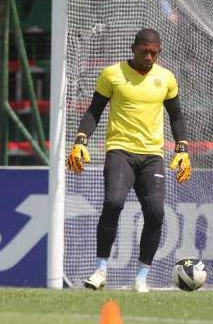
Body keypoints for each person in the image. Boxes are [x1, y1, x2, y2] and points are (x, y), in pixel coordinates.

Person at [66, 28, 191, 293]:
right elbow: (94, 111)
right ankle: (100, 270)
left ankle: (141, 279)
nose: (149, 57)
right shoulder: (112, 74)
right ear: (133, 48)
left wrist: (182, 148)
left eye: (154, 53)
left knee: (156, 214)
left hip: (152, 156)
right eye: (144, 51)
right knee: (113, 203)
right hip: (120, 151)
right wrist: (81, 139)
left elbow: (176, 116)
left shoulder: (166, 78)